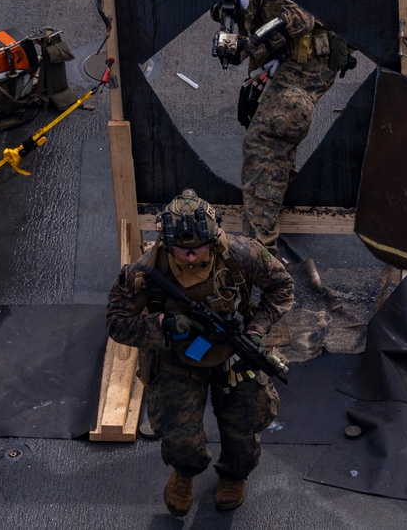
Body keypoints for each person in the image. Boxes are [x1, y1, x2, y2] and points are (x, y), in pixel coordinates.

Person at [106, 189, 294, 515]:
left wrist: (255, 330)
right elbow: (117, 323)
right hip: (177, 357)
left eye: (199, 249)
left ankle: (234, 476)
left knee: (245, 426)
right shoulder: (142, 272)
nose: (191, 257)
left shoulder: (241, 253)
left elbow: (282, 287)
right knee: (179, 440)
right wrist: (161, 322)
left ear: (214, 237)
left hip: (233, 354)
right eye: (183, 250)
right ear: (166, 242)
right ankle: (184, 474)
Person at [200, 0, 355, 256]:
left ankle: (260, 254)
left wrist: (249, 44)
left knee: (265, 140)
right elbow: (246, 3)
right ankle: (280, 199)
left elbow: (297, 17)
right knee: (262, 121)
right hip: (284, 59)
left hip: (310, 62)